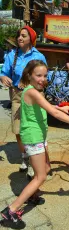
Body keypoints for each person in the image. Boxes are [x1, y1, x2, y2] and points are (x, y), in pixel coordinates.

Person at [0, 60, 69, 227]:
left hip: (39, 136)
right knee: (41, 176)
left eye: (45, 75)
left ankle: (32, 195)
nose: (42, 78)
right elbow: (52, 111)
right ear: (29, 76)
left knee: (46, 168)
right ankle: (11, 210)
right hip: (33, 137)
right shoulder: (31, 92)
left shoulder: (34, 91)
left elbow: (47, 106)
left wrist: (62, 108)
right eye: (38, 75)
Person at [0, 26, 47, 177]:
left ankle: (35, 162)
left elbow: (46, 78)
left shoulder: (39, 56)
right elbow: (4, 72)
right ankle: (25, 156)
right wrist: (3, 77)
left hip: (35, 97)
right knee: (18, 130)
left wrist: (30, 84)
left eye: (23, 36)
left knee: (35, 129)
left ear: (31, 39)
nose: (19, 38)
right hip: (17, 96)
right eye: (19, 35)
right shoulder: (11, 55)